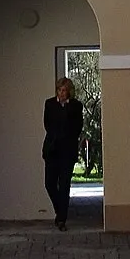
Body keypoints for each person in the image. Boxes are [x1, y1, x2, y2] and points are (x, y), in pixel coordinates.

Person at [41, 76, 84, 230]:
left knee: (64, 184)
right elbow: (47, 124)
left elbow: (77, 127)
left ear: (69, 92)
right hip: (52, 150)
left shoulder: (76, 106)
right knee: (49, 184)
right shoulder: (50, 104)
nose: (61, 93)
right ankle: (60, 211)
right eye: (59, 90)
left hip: (67, 151)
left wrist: (65, 113)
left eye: (64, 90)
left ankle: (62, 220)